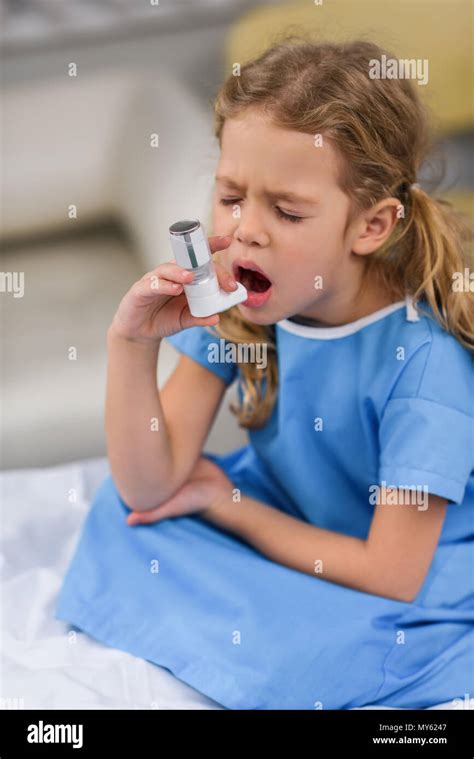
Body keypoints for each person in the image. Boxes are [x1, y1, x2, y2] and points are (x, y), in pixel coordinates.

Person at [55, 38, 474, 710]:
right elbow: (149, 485)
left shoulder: (425, 365)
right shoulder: (241, 308)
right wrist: (130, 344)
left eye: (286, 210)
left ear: (370, 225)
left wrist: (227, 505)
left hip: (389, 582)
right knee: (118, 514)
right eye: (230, 196)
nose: (245, 230)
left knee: (321, 659)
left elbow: (392, 575)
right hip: (290, 525)